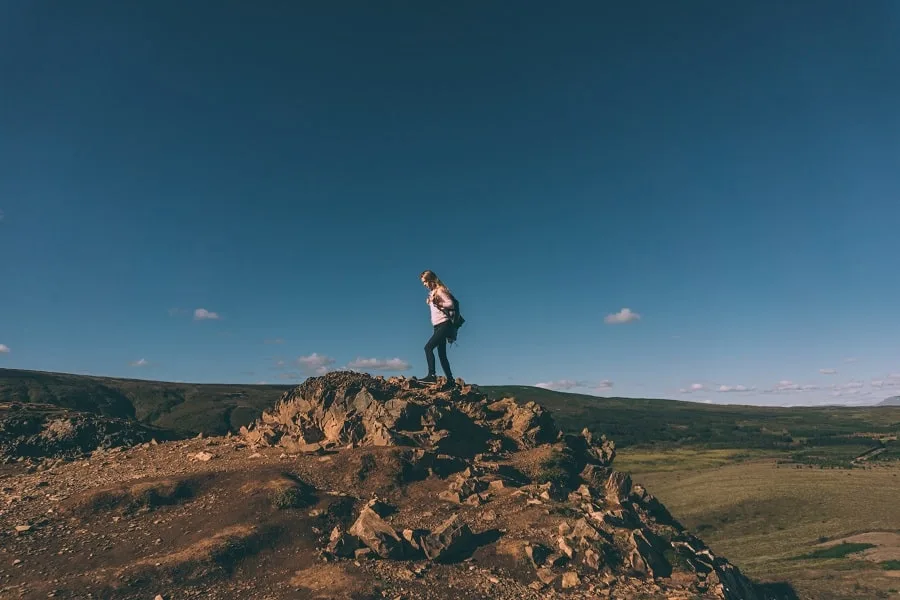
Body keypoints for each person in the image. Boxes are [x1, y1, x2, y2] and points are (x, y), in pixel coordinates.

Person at [419, 269, 457, 387]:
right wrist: (430, 301)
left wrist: (438, 303)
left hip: (444, 324)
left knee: (428, 348)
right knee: (442, 354)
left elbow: (451, 304)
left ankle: (432, 375)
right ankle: (450, 381)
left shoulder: (440, 290)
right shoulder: (433, 293)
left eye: (425, 282)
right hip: (437, 326)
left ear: (431, 280)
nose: (424, 284)